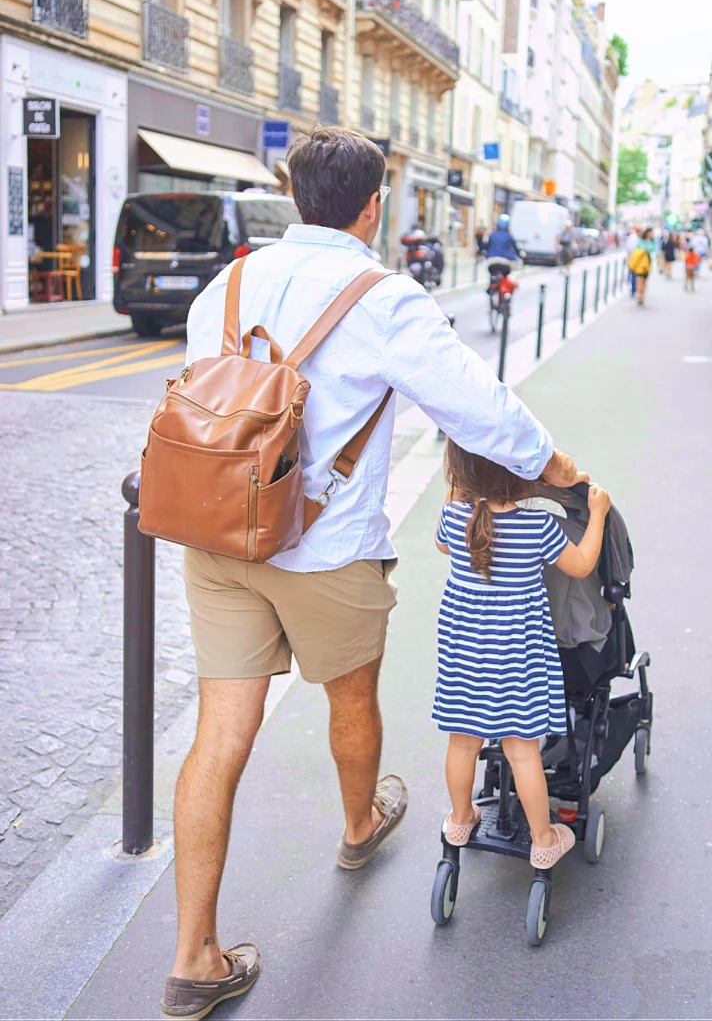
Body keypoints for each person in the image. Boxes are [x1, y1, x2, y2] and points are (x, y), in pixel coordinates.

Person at [160, 127, 587, 1020]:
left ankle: (195, 955)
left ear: (289, 190)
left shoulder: (224, 285)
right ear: (373, 204)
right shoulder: (384, 298)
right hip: (325, 548)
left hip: (221, 542)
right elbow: (479, 410)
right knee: (350, 701)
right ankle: (360, 827)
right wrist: (562, 471)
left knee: (220, 735)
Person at [432, 441, 611, 866]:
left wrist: (459, 485)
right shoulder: (537, 527)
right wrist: (598, 513)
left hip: (463, 652)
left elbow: (443, 546)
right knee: (521, 748)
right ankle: (544, 838)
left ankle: (460, 820)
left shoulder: (455, 517)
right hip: (516, 656)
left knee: (463, 741)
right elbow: (583, 564)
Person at [629, 227, 655, 306]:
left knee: (644, 281)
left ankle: (642, 295)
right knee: (640, 280)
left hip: (648, 263)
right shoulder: (640, 242)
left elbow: (655, 250)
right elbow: (636, 252)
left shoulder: (652, 242)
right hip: (640, 263)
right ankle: (639, 295)